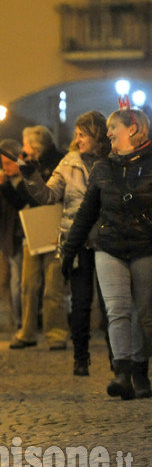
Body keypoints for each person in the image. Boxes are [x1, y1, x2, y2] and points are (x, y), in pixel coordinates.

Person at [62, 108, 152, 400]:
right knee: (117, 311)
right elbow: (87, 213)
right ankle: (122, 373)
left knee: (144, 314)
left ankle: (140, 370)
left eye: (114, 127)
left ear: (134, 128)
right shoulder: (104, 167)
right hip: (109, 246)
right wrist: (69, 251)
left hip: (144, 247)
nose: (109, 133)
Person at [20, 111, 111, 376]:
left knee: (110, 304)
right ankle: (80, 358)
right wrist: (31, 177)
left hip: (106, 241)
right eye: (76, 133)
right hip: (78, 241)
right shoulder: (68, 162)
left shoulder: (111, 161)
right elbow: (48, 195)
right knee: (81, 301)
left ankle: (118, 358)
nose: (77, 138)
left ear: (97, 136)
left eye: (83, 134)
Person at [8, 125, 67, 350]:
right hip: (32, 230)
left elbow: (47, 196)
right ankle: (27, 331)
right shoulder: (29, 165)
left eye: (25, 144)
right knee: (28, 285)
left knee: (53, 286)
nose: (23, 149)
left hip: (53, 229)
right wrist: (7, 185)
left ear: (36, 146)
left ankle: (56, 334)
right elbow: (23, 199)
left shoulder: (59, 163)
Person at [0, 139, 27, 329]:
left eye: (10, 163)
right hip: (5, 238)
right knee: (6, 282)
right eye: (3, 164)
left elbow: (18, 204)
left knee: (19, 282)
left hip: (19, 237)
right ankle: (15, 320)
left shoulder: (25, 181)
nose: (7, 168)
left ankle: (21, 322)